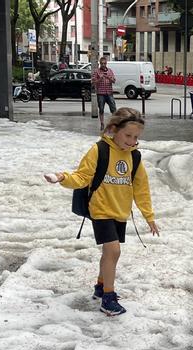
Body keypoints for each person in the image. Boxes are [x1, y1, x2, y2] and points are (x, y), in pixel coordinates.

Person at [44, 108, 159, 317]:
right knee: (114, 251)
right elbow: (82, 177)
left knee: (109, 253)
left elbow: (141, 188)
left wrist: (148, 216)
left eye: (136, 137)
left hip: (120, 211)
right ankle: (108, 298)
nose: (132, 141)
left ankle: (100, 285)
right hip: (101, 209)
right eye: (128, 135)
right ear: (114, 129)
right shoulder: (99, 150)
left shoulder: (135, 156)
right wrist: (63, 177)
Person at [91, 56, 117, 130]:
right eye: (102, 63)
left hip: (109, 92)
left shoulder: (110, 71)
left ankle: (114, 124)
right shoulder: (96, 71)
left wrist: (109, 78)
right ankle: (102, 124)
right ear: (99, 64)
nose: (103, 65)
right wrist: (100, 78)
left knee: (113, 109)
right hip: (101, 93)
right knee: (101, 109)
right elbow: (93, 82)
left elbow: (114, 81)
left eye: (104, 63)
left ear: (106, 63)